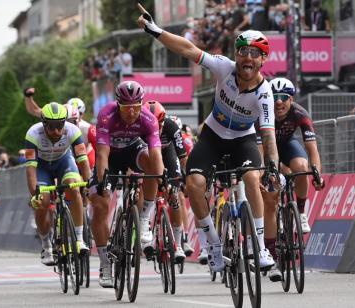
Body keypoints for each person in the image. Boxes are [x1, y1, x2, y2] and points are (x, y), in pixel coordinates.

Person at [138, 5, 279, 273]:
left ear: (263, 60)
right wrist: (155, 31)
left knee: (252, 178)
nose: (247, 58)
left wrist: (271, 165)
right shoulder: (223, 68)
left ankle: (259, 246)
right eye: (243, 52)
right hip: (212, 136)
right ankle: (212, 243)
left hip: (242, 140)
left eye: (255, 53)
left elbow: (269, 136)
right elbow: (188, 49)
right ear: (236, 55)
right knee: (194, 184)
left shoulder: (265, 94)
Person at [88, 80, 163, 287]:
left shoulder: (148, 119)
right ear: (118, 104)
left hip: (132, 150)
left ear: (141, 103)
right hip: (111, 155)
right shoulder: (106, 114)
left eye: (136, 107)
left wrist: (161, 176)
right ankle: (104, 263)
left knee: (151, 166)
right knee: (100, 204)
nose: (131, 112)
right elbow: (102, 154)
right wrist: (103, 182)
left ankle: (144, 217)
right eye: (126, 107)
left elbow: (156, 153)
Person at [259, 77, 324, 281]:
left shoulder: (300, 114)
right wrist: (265, 173)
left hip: (287, 146)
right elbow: (261, 152)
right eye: (274, 97)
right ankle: (271, 253)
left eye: (283, 98)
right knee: (270, 200)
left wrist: (317, 174)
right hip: (267, 149)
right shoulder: (262, 113)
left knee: (302, 167)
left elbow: (312, 150)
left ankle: (301, 212)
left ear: (291, 99)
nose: (278, 102)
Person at [26, 103, 91, 266]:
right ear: (44, 124)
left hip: (64, 161)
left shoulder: (73, 131)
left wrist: (88, 185)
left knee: (74, 187)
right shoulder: (33, 134)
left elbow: (83, 162)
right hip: (42, 167)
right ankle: (46, 245)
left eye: (59, 126)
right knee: (43, 202)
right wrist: (35, 195)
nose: (56, 131)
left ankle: (79, 239)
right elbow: (31, 170)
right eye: (52, 127)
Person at [147, 101, 188, 263]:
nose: (157, 129)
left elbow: (183, 156)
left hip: (168, 154)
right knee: (144, 191)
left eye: (160, 125)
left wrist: (188, 176)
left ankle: (177, 244)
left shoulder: (171, 127)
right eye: (153, 125)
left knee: (174, 197)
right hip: (149, 155)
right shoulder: (141, 126)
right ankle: (149, 235)